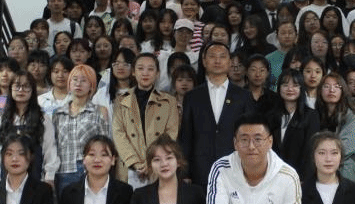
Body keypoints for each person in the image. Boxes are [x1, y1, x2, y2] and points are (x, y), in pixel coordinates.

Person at [179, 41, 255, 188]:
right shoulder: (192, 96)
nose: (217, 60)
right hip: (200, 171)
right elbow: (186, 136)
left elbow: (249, 134)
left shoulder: (243, 96)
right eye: (212, 56)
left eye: (222, 56)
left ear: (230, 62)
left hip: (235, 169)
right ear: (204, 61)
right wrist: (185, 172)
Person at [113, 53, 179, 187]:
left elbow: (171, 133)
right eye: (140, 68)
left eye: (150, 69)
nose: (145, 73)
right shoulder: (121, 100)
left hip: (159, 164)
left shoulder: (169, 101)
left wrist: (151, 161)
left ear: (157, 73)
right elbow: (118, 134)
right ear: (133, 72)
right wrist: (135, 163)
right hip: (129, 167)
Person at [0, 70, 59, 187]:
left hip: (35, 177)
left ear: (32, 90)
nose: (21, 90)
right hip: (6, 179)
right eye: (17, 86)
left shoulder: (42, 118)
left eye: (26, 86)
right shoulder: (3, 119)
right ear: (10, 89)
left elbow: (50, 148)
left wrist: (49, 176)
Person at [51, 64, 108, 195]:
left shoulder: (100, 111)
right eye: (75, 80)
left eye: (84, 80)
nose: (78, 84)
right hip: (63, 170)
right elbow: (53, 145)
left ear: (91, 86)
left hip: (89, 170)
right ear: (69, 84)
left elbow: (104, 145)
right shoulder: (57, 113)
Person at [318, 72, 355, 187]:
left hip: (346, 169)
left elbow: (347, 147)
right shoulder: (315, 114)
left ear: (343, 91)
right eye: (326, 86)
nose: (331, 90)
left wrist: (325, 157)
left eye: (336, 86)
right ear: (320, 90)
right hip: (320, 169)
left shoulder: (350, 115)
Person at [271, 68, 321, 179]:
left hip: (300, 177)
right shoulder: (271, 116)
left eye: (295, 85)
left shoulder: (311, 116)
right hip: (273, 176)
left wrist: (303, 179)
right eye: (285, 85)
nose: (290, 89)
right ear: (279, 88)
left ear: (301, 88)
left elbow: (310, 151)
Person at [244, 54, 283, 122]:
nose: (258, 74)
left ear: (267, 73)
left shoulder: (274, 98)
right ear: (246, 72)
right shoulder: (239, 95)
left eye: (262, 70)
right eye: (253, 70)